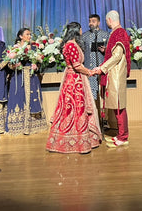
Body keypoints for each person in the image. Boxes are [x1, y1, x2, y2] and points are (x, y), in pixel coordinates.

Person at [46, 22, 102, 154]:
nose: (82, 31)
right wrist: (90, 72)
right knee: (76, 107)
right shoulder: (71, 45)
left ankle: (80, 138)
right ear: (76, 31)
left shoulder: (71, 44)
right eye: (81, 29)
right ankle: (77, 142)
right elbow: (76, 65)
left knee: (73, 108)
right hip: (74, 80)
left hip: (74, 78)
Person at [93, 10, 131, 147]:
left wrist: (101, 68)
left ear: (109, 19)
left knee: (119, 106)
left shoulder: (118, 33)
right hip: (114, 73)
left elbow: (117, 56)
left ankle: (123, 137)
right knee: (117, 106)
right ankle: (121, 135)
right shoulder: (117, 32)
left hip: (116, 74)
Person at [6, 28, 47, 135]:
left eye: (30, 34)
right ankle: (18, 124)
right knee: (19, 96)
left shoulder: (34, 47)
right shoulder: (15, 48)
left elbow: (39, 62)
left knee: (32, 97)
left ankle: (33, 124)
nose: (29, 36)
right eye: (27, 34)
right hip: (19, 76)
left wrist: (36, 66)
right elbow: (9, 64)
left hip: (31, 76)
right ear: (21, 36)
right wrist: (15, 65)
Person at [81, 14, 110, 102]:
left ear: (99, 22)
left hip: (102, 70)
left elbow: (111, 53)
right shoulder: (85, 36)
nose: (91, 23)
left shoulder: (105, 35)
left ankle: (103, 115)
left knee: (104, 97)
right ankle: (92, 115)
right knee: (90, 98)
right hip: (89, 71)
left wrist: (105, 50)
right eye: (89, 21)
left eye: (93, 21)